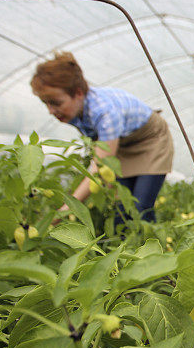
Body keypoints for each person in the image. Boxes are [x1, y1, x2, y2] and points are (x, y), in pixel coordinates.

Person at [31, 51, 173, 223]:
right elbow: (101, 151)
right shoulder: (73, 111)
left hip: (151, 141)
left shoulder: (105, 112)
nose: (51, 111)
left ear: (78, 93)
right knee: (121, 209)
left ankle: (153, 247)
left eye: (56, 103)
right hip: (121, 144)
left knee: (140, 207)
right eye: (46, 103)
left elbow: (99, 168)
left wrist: (65, 210)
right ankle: (124, 246)